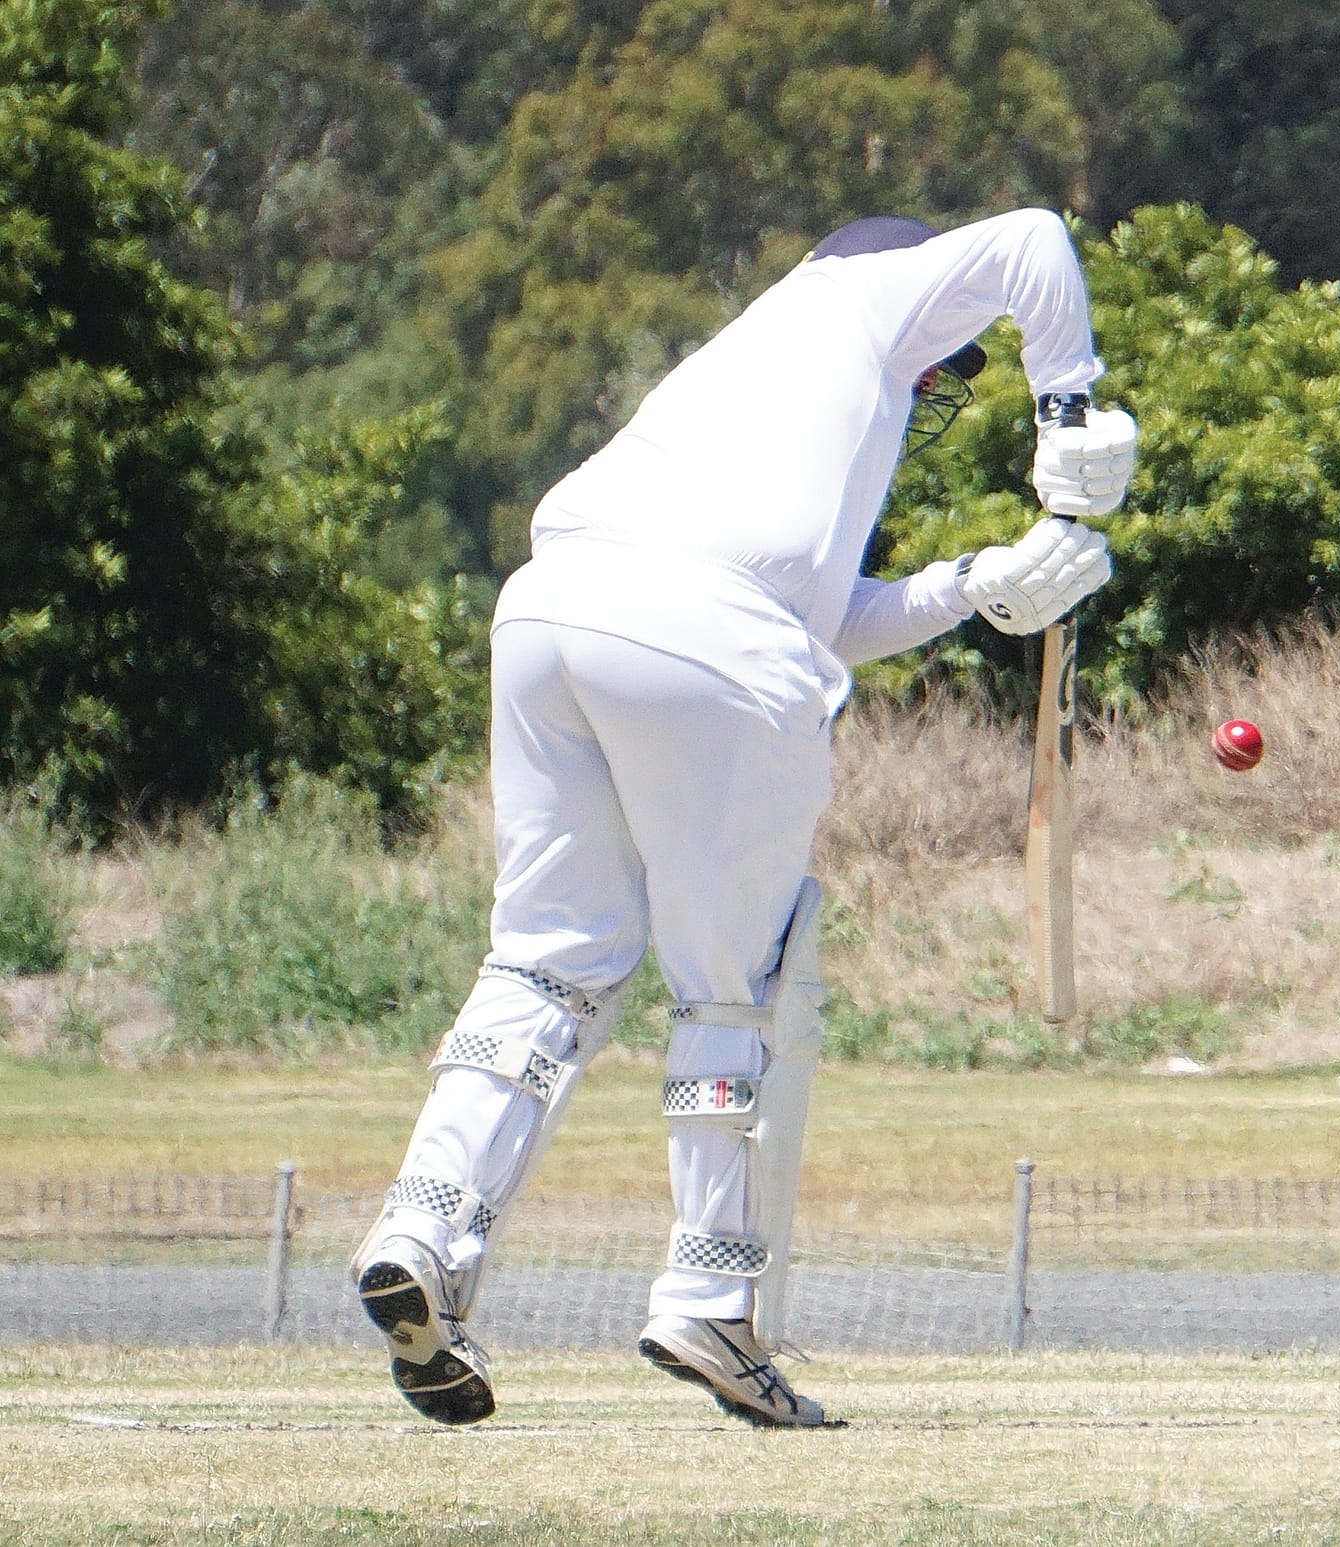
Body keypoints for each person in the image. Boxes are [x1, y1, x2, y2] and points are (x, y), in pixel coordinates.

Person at [349, 209, 1138, 1429]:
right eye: (946, 364)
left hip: (554, 614)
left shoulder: (741, 372)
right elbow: (1034, 238)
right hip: (710, 639)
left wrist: (983, 584)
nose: (938, 381)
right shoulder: (867, 289)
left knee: (550, 960)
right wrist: (1070, 415)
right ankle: (710, 1298)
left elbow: (819, 611)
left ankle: (425, 1232)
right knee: (738, 988)